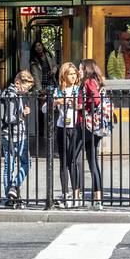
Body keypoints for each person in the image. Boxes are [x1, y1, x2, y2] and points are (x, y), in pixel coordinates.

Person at [0, 70, 33, 208]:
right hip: (14, 136)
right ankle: (13, 189)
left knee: (9, 166)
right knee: (24, 163)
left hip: (11, 135)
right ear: (17, 83)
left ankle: (11, 195)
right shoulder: (12, 96)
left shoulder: (15, 94)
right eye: (26, 87)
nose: (27, 90)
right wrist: (23, 114)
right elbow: (10, 118)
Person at [77, 59, 107, 210]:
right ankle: (97, 198)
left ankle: (93, 198)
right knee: (93, 160)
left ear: (87, 69)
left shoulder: (88, 82)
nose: (79, 71)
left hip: (87, 125)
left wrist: (82, 106)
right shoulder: (96, 81)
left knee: (81, 158)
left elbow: (96, 100)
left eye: (81, 68)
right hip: (94, 126)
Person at [50, 61, 80, 208]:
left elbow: (84, 106)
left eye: (74, 74)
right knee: (63, 161)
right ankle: (65, 192)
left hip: (76, 126)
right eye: (70, 74)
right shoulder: (58, 91)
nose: (73, 77)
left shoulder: (79, 90)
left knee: (73, 161)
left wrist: (75, 104)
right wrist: (57, 102)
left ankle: (76, 194)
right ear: (64, 75)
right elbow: (45, 108)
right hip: (62, 126)